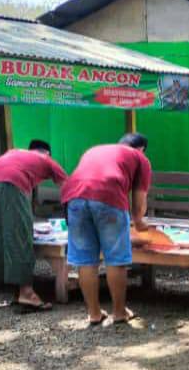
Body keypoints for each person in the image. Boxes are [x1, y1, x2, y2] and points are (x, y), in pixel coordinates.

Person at [61, 133, 152, 326]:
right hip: (108, 196)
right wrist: (139, 222)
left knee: (85, 260)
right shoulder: (140, 158)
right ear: (141, 149)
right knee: (116, 258)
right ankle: (119, 312)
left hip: (73, 198)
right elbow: (139, 202)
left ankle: (94, 314)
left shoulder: (95, 149)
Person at [0, 140, 68, 311]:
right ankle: (27, 293)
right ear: (47, 154)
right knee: (19, 234)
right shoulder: (48, 160)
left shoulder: (15, 153)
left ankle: (9, 287)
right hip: (12, 182)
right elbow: (68, 188)